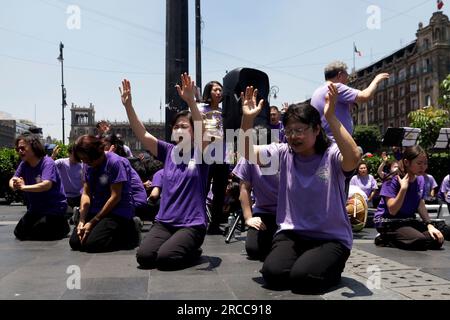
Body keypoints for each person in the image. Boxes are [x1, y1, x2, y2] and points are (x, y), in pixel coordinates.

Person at [240, 83, 360, 293]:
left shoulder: (331, 153)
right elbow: (246, 152)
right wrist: (248, 118)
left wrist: (331, 116)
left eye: (299, 130)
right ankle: (309, 263)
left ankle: (330, 266)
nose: (293, 136)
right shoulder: (284, 152)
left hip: (330, 238)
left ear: (316, 129)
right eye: (289, 131)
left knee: (304, 279)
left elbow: (353, 158)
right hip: (294, 235)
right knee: (273, 275)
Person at [120, 74, 209, 270]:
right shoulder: (168, 151)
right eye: (176, 127)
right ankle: (179, 246)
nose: (179, 129)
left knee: (165, 259)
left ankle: (193, 249)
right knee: (144, 257)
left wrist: (191, 101)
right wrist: (128, 107)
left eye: (184, 127)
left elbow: (201, 128)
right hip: (165, 222)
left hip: (191, 224)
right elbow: (142, 133)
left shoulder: (202, 152)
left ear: (193, 131)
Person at [69, 135, 140, 253]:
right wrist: (81, 220)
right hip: (97, 208)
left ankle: (130, 231)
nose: (85, 163)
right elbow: (86, 193)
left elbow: (115, 197)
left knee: (93, 244)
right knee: (76, 243)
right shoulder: (87, 164)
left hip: (117, 210)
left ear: (97, 154)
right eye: (83, 160)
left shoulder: (115, 163)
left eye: (87, 159)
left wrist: (93, 222)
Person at [374, 146, 445, 250]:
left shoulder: (420, 179)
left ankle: (406, 237)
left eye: (425, 163)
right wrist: (403, 189)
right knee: (418, 240)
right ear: (407, 162)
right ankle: (385, 238)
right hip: (389, 222)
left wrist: (430, 225)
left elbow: (420, 204)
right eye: (419, 163)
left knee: (437, 239)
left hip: (407, 220)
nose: (423, 167)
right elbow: (392, 210)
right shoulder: (391, 179)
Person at [9, 133, 69, 241]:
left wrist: (23, 187)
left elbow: (46, 185)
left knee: (39, 232)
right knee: (19, 233)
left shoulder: (47, 162)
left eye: (22, 148)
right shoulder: (24, 164)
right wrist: (14, 184)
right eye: (18, 149)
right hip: (36, 209)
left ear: (33, 147)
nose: (19, 151)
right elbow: (13, 179)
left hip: (53, 209)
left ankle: (63, 226)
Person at [232, 126, 279, 261]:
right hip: (263, 212)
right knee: (254, 249)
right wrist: (248, 218)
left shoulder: (281, 154)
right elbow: (244, 189)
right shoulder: (247, 159)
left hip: (286, 213)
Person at [310, 61, 389, 140]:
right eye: (346, 75)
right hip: (337, 142)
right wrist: (376, 80)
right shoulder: (336, 87)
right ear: (340, 75)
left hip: (323, 141)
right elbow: (365, 96)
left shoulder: (316, 93)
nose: (347, 80)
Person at [199, 80, 229, 234]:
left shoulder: (225, 112)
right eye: (215, 90)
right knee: (202, 189)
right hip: (205, 155)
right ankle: (198, 220)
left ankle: (215, 224)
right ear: (208, 92)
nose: (219, 93)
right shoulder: (201, 109)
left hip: (222, 156)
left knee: (219, 191)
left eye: (220, 90)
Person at [51, 144, 83, 211]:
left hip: (79, 197)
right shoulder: (61, 162)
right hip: (64, 197)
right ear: (69, 153)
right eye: (75, 155)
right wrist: (53, 155)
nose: (77, 158)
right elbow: (49, 166)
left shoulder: (82, 165)